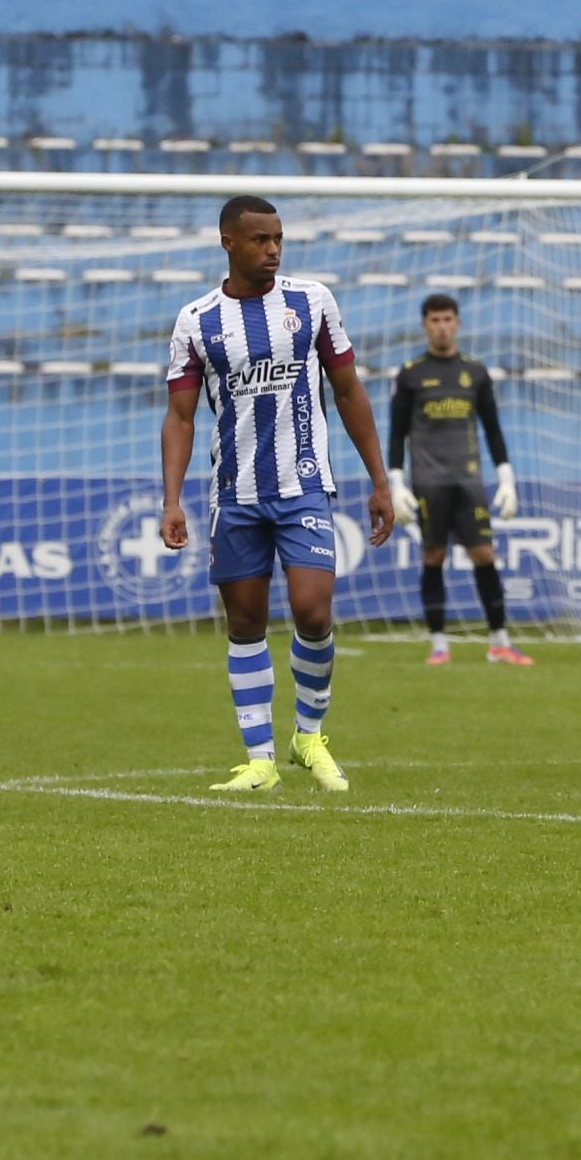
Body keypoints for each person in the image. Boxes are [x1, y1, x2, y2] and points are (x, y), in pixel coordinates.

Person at [160, 195, 394, 793]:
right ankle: (260, 759)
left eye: (279, 240)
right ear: (229, 243)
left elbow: (348, 391)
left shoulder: (312, 302)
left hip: (305, 485)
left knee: (314, 611)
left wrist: (380, 479)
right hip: (234, 493)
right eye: (260, 240)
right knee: (245, 622)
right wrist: (171, 499)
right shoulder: (196, 321)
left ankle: (308, 736)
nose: (273, 251)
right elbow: (181, 417)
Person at [387, 294, 530, 666]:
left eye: (448, 319)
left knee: (484, 553)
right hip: (428, 483)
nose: (442, 326)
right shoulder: (410, 374)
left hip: (468, 480)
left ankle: (499, 641)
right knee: (433, 555)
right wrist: (396, 483)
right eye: (435, 320)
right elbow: (396, 433)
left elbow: (493, 430)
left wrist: (507, 479)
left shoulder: (476, 373)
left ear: (458, 323)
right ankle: (438, 645)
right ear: (425, 325)